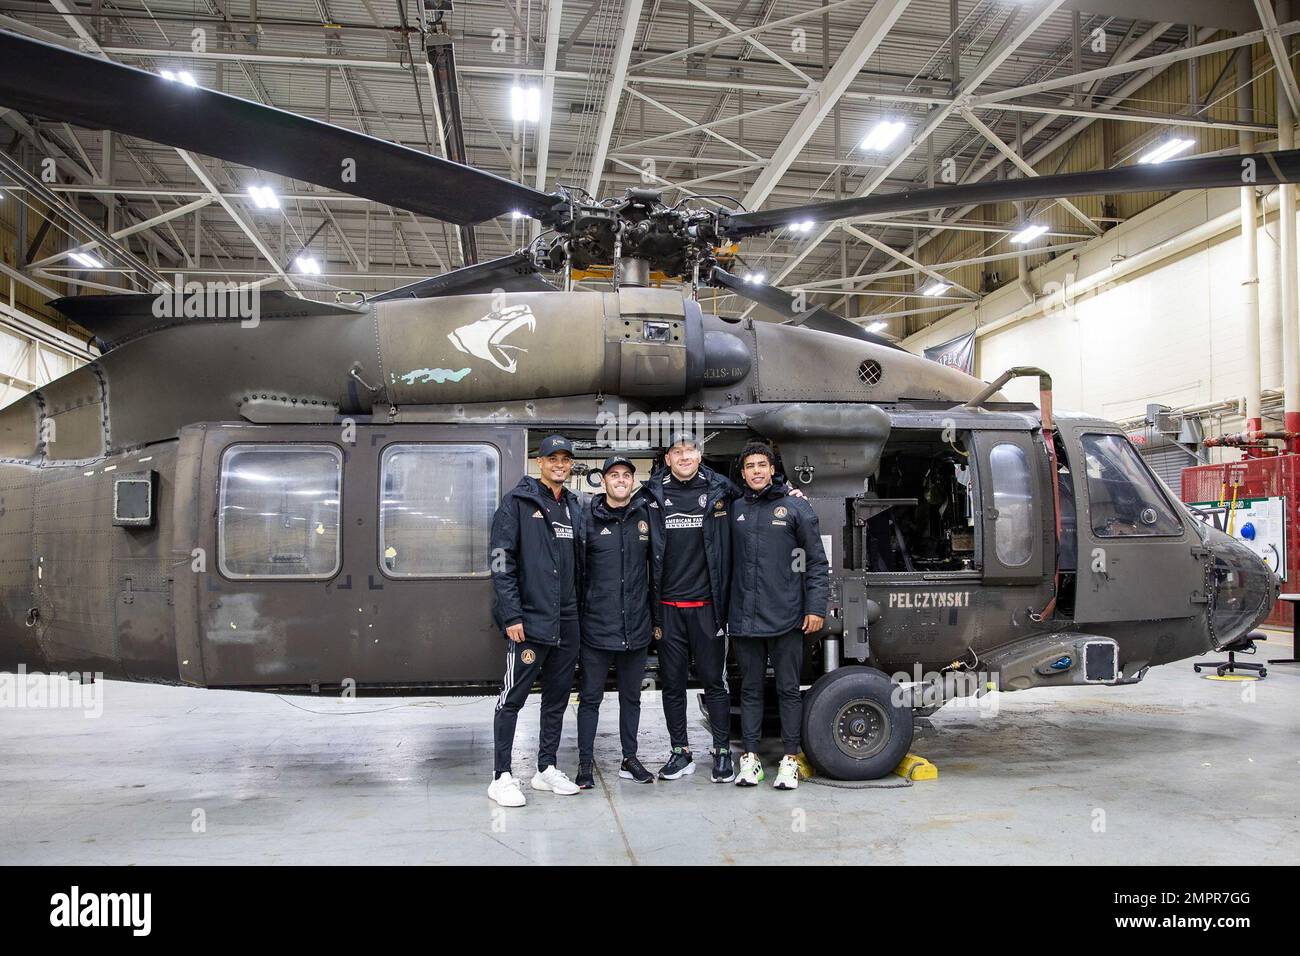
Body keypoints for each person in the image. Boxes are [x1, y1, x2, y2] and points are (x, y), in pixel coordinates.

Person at [487, 434, 586, 808]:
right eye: (552, 459)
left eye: (565, 459)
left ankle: (545, 768)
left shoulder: (574, 507)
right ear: (539, 463)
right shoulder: (517, 503)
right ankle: (501, 776)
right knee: (512, 699)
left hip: (568, 621)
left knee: (557, 699)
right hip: (530, 621)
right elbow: (501, 560)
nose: (560, 465)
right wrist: (512, 613)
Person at [637, 431, 739, 783]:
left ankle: (723, 751)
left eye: (690, 451)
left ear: (700, 456)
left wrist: (790, 493)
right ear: (667, 459)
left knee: (715, 681)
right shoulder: (651, 495)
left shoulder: (722, 491)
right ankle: (680, 752)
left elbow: (760, 501)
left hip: (708, 608)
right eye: (677, 452)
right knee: (673, 684)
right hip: (667, 609)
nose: (683, 457)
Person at [728, 441, 828, 791]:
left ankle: (789, 759)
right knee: (750, 690)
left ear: (772, 469)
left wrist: (815, 607)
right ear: (742, 473)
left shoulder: (795, 507)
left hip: (787, 617)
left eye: (762, 465)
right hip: (743, 617)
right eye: (749, 466)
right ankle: (751, 759)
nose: (756, 471)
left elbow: (816, 562)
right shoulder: (734, 508)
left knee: (788, 690)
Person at [574, 455, 657, 788]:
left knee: (631, 698)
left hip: (635, 627)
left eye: (626, 475)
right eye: (614, 475)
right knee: (590, 698)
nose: (620, 480)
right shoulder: (587, 520)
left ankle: (630, 758)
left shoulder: (646, 517)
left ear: (632, 481)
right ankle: (583, 764)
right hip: (596, 628)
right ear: (603, 481)